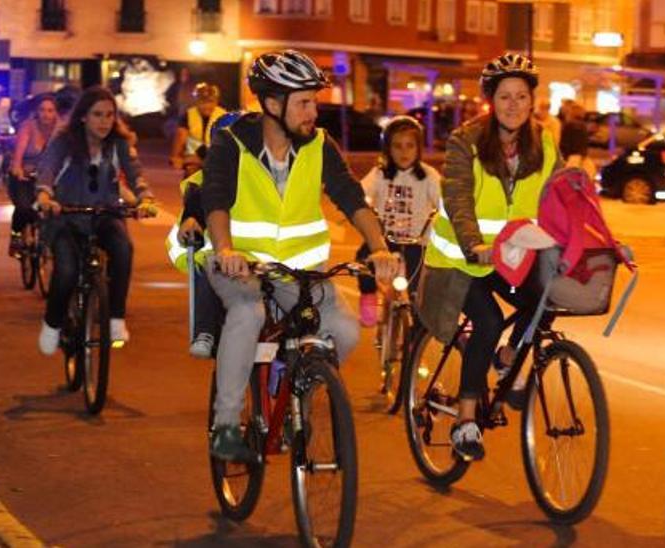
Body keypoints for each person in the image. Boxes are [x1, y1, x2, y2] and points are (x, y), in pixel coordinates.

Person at [201, 49, 399, 462]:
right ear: (273, 104)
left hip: (299, 271)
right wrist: (225, 249)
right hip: (241, 265)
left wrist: (379, 247)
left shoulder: (319, 146)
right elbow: (215, 199)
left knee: (343, 332)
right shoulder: (231, 143)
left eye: (314, 101)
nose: (314, 111)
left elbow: (350, 197)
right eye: (304, 102)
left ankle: (293, 394)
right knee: (248, 314)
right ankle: (226, 425)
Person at [417, 52, 561, 462]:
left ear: (533, 100)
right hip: (464, 261)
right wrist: (473, 243)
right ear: (490, 101)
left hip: (514, 255)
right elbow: (458, 196)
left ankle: (507, 359)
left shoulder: (546, 144)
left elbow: (566, 196)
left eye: (520, 96)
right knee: (489, 320)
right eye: (504, 97)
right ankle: (465, 422)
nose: (513, 105)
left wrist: (597, 240)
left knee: (548, 298)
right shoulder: (466, 141)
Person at [36, 86, 156, 355]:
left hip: (104, 215)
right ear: (82, 117)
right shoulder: (64, 142)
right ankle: (52, 323)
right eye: (97, 115)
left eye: (110, 115)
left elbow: (136, 174)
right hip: (65, 216)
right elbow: (47, 170)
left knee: (123, 249)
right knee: (66, 271)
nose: (104, 121)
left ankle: (115, 319)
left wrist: (145, 199)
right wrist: (45, 196)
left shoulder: (119, 143)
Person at [165, 111, 244, 359]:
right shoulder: (204, 180)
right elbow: (197, 201)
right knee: (209, 266)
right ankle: (205, 330)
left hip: (264, 255)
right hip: (221, 255)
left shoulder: (268, 175)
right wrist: (191, 221)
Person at [355, 116, 442, 327]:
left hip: (416, 242)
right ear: (388, 148)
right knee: (363, 260)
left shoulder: (428, 176)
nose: (404, 152)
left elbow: (443, 202)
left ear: (418, 148)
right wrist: (361, 203)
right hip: (384, 240)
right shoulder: (380, 174)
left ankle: (413, 337)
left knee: (416, 291)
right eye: (397, 146)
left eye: (410, 146)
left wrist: (442, 216)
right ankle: (368, 297)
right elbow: (361, 192)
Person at [7, 94, 59, 257]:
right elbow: (19, 153)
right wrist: (17, 167)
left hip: (50, 178)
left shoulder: (61, 129)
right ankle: (16, 235)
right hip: (25, 176)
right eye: (42, 110)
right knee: (24, 207)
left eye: (50, 110)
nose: (46, 114)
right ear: (37, 111)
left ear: (56, 112)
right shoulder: (28, 126)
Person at [170, 82, 227, 175]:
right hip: (194, 157)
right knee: (191, 172)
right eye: (203, 102)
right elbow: (181, 136)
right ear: (196, 102)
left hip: (217, 158)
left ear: (216, 101)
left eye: (210, 101)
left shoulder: (224, 115)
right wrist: (176, 156)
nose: (206, 106)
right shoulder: (188, 114)